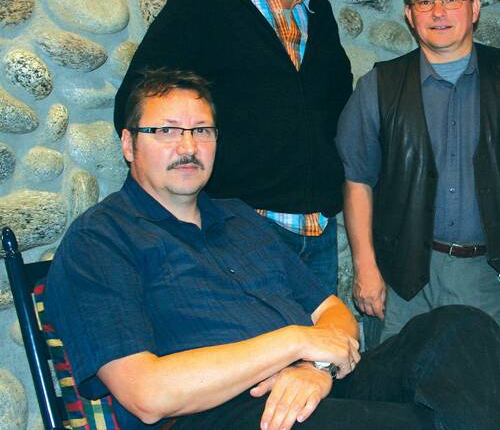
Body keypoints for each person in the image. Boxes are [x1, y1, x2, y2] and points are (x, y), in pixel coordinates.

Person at [45, 68, 500, 430]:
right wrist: (293, 342)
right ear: (129, 144)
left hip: (314, 386)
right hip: (226, 412)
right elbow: (147, 395)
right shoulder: (100, 240)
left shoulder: (239, 218)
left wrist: (313, 367)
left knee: (458, 326)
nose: (188, 146)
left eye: (202, 130)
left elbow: (332, 312)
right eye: (166, 131)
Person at [113, 0, 353, 293]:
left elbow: (339, 109)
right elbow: (138, 98)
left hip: (318, 234)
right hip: (242, 230)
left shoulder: (317, 9)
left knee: (327, 339)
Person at [336, 0, 500, 344]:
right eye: (425, 2)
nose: (438, 12)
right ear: (410, 15)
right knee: (395, 379)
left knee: (479, 380)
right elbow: (358, 181)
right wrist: (365, 268)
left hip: (486, 278)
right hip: (403, 281)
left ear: (474, 8)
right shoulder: (379, 87)